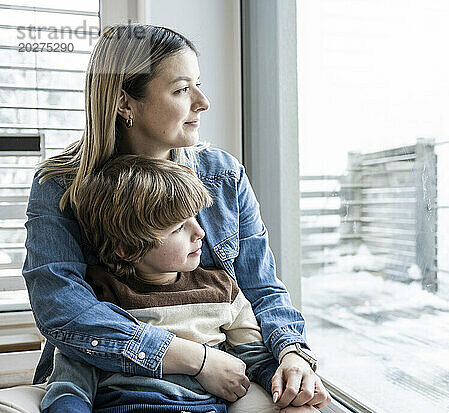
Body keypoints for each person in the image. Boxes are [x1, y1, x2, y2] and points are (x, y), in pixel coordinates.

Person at [22, 23, 331, 411]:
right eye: (182, 89)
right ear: (124, 103)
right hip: (107, 381)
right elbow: (62, 308)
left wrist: (292, 354)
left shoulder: (223, 176)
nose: (203, 102)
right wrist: (196, 359)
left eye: (197, 85)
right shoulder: (61, 184)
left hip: (220, 386)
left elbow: (261, 288)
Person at [41, 155, 309, 413]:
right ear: (125, 247)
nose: (200, 232)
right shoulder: (99, 296)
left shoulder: (222, 290)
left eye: (195, 217)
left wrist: (289, 379)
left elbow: (254, 357)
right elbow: (71, 381)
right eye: (178, 227)